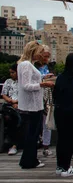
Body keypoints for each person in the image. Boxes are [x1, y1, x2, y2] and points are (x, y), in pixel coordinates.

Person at [18, 41, 55, 169]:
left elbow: (29, 81)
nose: (40, 56)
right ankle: (30, 161)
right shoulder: (27, 65)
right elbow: (26, 85)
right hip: (31, 106)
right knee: (32, 135)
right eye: (39, 52)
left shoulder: (25, 64)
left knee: (32, 134)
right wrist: (43, 84)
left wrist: (44, 77)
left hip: (33, 105)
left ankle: (29, 159)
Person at [38, 45, 54, 157]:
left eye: (48, 57)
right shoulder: (33, 66)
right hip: (36, 96)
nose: (46, 59)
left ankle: (46, 146)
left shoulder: (49, 66)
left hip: (47, 97)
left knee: (47, 123)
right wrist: (44, 77)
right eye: (45, 56)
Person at [2, 63, 21, 155]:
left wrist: (16, 102)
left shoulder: (22, 82)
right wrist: (11, 101)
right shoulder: (8, 81)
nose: (11, 74)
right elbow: (4, 94)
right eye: (10, 73)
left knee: (15, 118)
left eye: (13, 72)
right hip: (9, 105)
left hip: (20, 105)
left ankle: (14, 145)